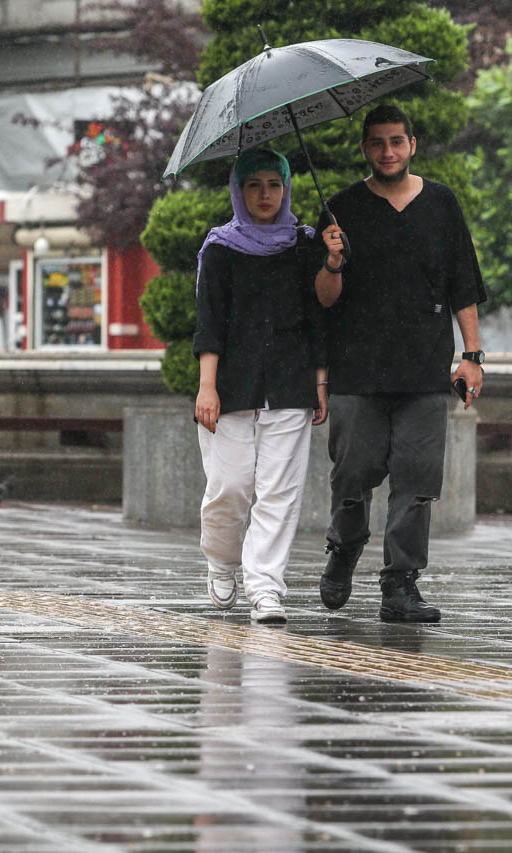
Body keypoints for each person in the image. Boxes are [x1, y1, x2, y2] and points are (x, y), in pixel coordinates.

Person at [313, 104, 487, 623]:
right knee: (352, 476)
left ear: (413, 145)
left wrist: (472, 356)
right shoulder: (340, 209)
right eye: (376, 142)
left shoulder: (441, 204)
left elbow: (463, 286)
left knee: (416, 480)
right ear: (364, 149)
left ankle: (400, 584)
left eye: (396, 141)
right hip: (357, 372)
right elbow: (323, 299)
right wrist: (333, 259)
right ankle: (343, 552)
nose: (387, 151)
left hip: (424, 372)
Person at [193, 147, 328, 625]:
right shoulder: (221, 248)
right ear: (239, 190)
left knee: (279, 492)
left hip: (291, 384)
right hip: (231, 385)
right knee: (229, 487)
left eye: (274, 184)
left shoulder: (307, 243)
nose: (266, 194)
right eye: (254, 184)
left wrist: (319, 381)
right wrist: (206, 386)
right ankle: (221, 558)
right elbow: (209, 324)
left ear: (287, 188)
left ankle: (266, 588)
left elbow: (319, 317)